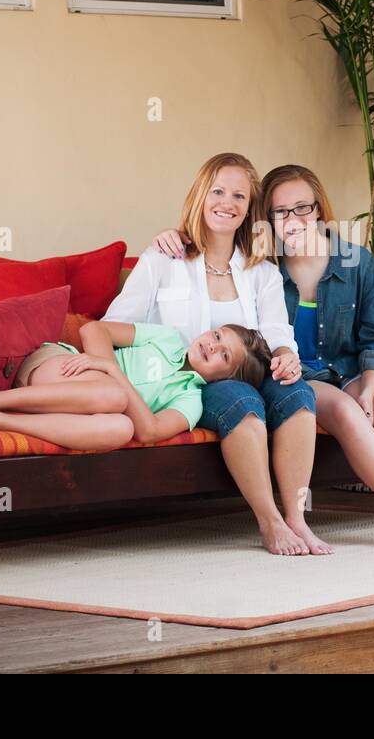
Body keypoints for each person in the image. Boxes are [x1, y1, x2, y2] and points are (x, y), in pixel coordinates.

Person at [155, 164, 374, 551]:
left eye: (301, 208)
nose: (292, 220)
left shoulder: (354, 262)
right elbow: (216, 262)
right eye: (279, 212)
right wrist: (174, 236)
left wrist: (370, 387)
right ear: (266, 220)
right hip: (298, 377)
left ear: (319, 211)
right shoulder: (261, 267)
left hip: (352, 370)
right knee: (346, 411)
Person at [106, 153, 329, 556]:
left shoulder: (261, 271)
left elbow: (278, 330)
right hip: (188, 379)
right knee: (241, 400)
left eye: (239, 196)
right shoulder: (163, 258)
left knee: (298, 395)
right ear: (200, 195)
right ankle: (270, 522)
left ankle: (297, 519)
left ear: (249, 209)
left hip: (252, 371)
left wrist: (285, 354)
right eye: (218, 191)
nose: (227, 203)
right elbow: (118, 323)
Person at [0, 319, 271, 453]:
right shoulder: (167, 338)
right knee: (112, 395)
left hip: (82, 411)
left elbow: (149, 432)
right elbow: (94, 329)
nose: (212, 346)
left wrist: (110, 373)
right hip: (57, 367)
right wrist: (107, 370)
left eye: (224, 354)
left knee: (121, 428)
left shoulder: (190, 400)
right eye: (217, 336)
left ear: (227, 378)